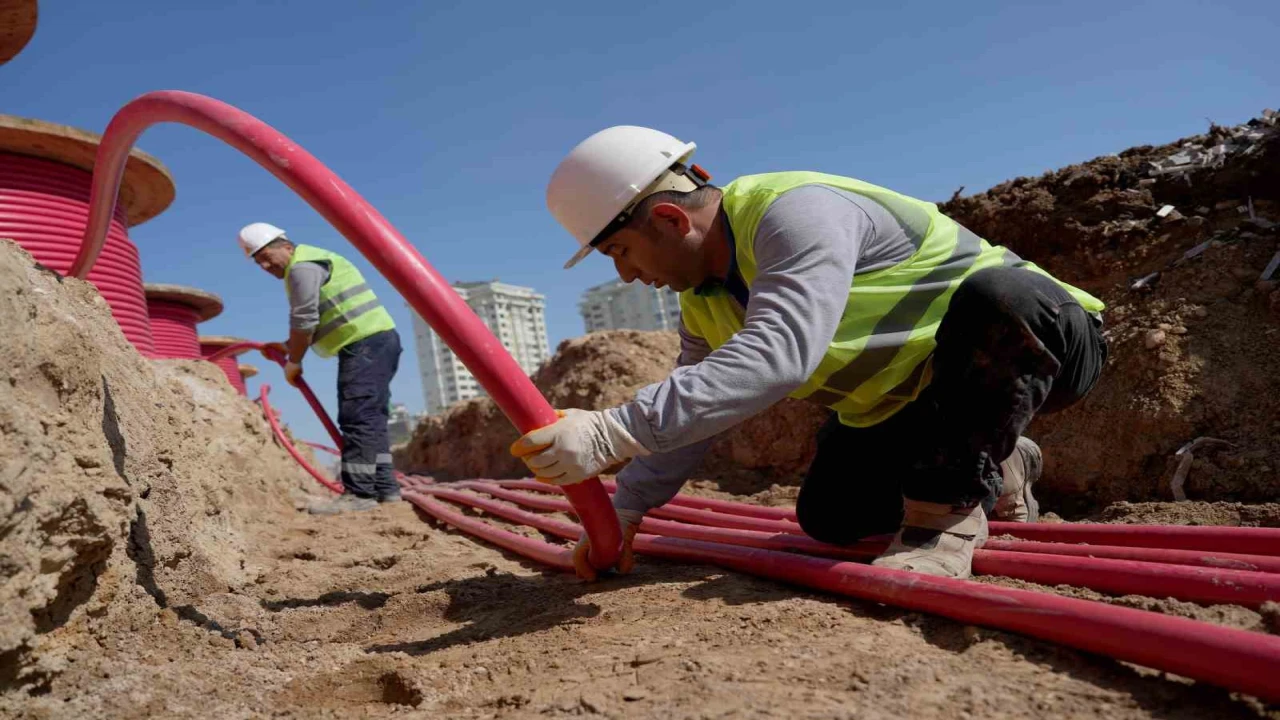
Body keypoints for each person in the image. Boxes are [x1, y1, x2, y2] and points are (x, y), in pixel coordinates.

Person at [510, 126, 1107, 580]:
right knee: (833, 517)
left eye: (620, 251)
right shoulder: (705, 301)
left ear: (669, 219)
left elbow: (780, 352)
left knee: (1002, 295)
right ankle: (1001, 461)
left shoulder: (794, 213)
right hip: (917, 409)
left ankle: (942, 522)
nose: (628, 275)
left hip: (1037, 342)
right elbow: (698, 412)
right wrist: (626, 510)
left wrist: (613, 430)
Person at [238, 223, 403, 514]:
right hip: (376, 342)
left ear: (285, 246)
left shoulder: (302, 268)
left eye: (266, 255)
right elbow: (319, 320)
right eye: (257, 261)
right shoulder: (309, 262)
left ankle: (359, 495)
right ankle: (385, 490)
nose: (264, 265)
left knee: (358, 417)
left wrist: (294, 361)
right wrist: (288, 347)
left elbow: (304, 321)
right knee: (370, 418)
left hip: (364, 344)